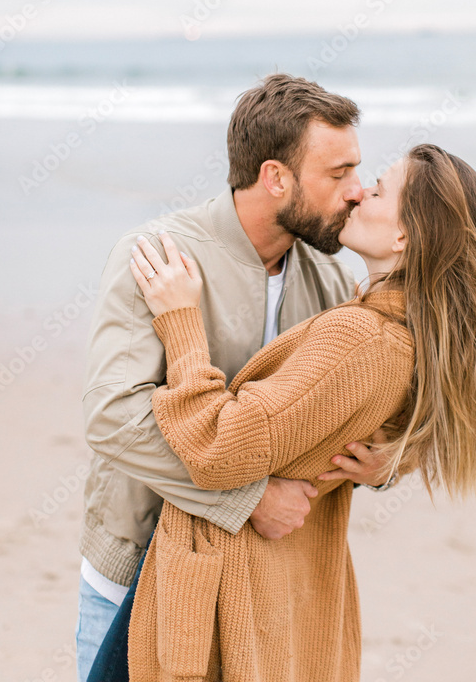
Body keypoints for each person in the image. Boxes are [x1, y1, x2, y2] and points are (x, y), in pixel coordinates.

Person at [126, 143, 476, 681]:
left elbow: (219, 448)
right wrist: (392, 461)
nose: (359, 191)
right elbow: (395, 425)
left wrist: (181, 322)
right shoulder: (413, 337)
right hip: (296, 588)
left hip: (234, 591)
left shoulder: (360, 337)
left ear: (404, 237)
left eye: (379, 189)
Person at [77, 74, 388, 682]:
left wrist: (386, 462)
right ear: (276, 177)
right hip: (138, 565)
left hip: (259, 584)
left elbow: (346, 416)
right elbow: (114, 419)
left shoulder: (327, 278)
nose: (356, 192)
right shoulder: (158, 254)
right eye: (338, 173)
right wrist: (249, 501)